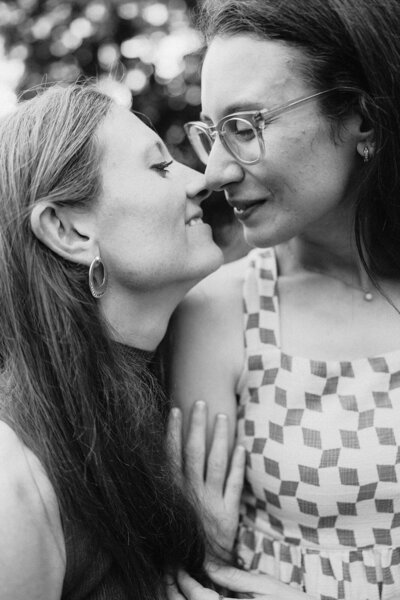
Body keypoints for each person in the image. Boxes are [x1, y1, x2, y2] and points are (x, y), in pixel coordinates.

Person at [169, 0, 400, 599]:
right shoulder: (220, 312)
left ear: (362, 119)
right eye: (211, 133)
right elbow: (201, 570)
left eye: (245, 127)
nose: (215, 170)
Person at [0, 82, 230, 600]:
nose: (202, 180)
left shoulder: (179, 391)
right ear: (69, 231)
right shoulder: (13, 481)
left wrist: (206, 552)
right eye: (160, 167)